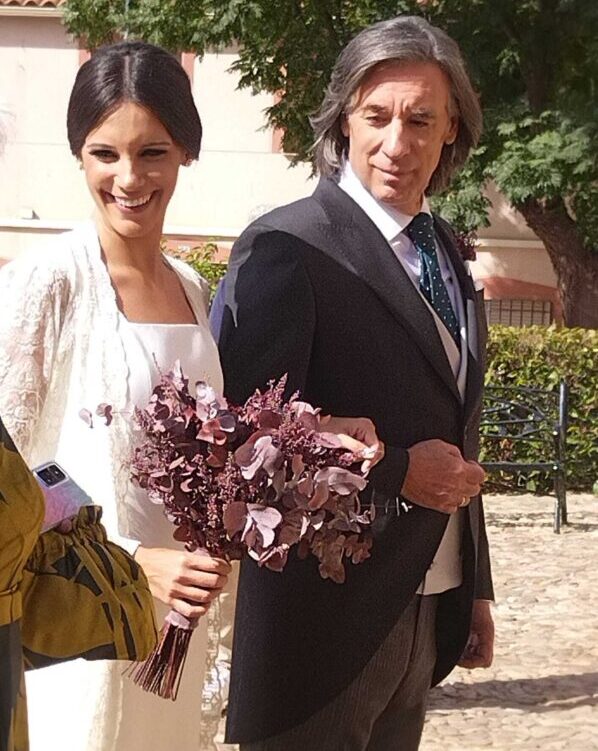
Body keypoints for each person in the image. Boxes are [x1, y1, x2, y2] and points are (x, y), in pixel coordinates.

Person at [216, 15, 494, 751]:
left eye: (420, 120)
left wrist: (474, 583)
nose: (397, 143)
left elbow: (457, 421)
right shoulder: (287, 246)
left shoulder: (446, 251)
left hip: (428, 604)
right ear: (345, 117)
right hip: (321, 629)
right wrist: (398, 469)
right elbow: (249, 438)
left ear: (451, 130)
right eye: (377, 116)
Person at [0, 41, 233, 751]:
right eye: (106, 153)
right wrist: (132, 560)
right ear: (79, 155)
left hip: (180, 626)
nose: (129, 177)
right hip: (82, 623)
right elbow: (9, 478)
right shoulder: (47, 281)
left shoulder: (193, 289)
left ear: (185, 151)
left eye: (152, 152)